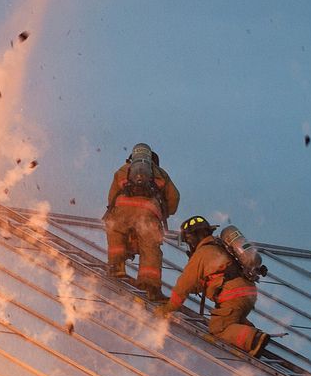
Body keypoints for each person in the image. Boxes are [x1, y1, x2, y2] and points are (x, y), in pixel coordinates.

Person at [154, 215, 270, 356]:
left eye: (188, 240)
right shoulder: (220, 247)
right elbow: (203, 283)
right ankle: (246, 330)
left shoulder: (202, 253)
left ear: (193, 237)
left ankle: (254, 339)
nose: (189, 245)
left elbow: (183, 285)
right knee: (230, 317)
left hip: (233, 295)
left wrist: (168, 308)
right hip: (247, 293)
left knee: (218, 328)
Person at [103, 142, 180, 302]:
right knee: (150, 248)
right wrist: (164, 212)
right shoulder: (161, 173)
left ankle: (117, 267)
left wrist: (115, 212)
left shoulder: (123, 170)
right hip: (148, 212)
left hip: (122, 209)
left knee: (116, 234)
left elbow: (112, 196)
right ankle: (149, 286)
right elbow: (174, 198)